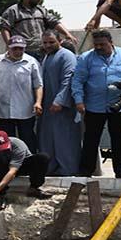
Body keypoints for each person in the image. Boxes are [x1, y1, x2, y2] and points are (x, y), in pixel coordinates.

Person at [72, 30, 121, 178]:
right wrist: (79, 101)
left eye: (102, 44)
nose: (98, 47)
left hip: (119, 105)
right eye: (96, 44)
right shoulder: (86, 58)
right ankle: (85, 170)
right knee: (91, 139)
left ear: (111, 42)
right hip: (94, 106)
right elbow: (77, 80)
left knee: (119, 139)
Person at [0, 35, 43, 152]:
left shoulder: (31, 62)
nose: (18, 51)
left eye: (21, 48)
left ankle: (29, 165)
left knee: (27, 138)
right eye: (15, 48)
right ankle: (8, 166)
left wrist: (38, 102)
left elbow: (38, 84)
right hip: (2, 109)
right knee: (4, 140)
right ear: (8, 48)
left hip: (25, 109)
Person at [38, 31, 81, 176]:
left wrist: (60, 100)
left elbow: (68, 79)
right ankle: (51, 168)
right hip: (48, 107)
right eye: (45, 43)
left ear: (60, 40)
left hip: (62, 108)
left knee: (65, 140)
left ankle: (67, 170)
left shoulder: (67, 56)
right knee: (48, 139)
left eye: (51, 42)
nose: (48, 45)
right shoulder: (47, 56)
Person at [0, 0, 78, 61]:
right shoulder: (13, 11)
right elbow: (4, 28)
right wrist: (10, 45)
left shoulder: (41, 10)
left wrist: (67, 34)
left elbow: (54, 22)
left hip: (41, 51)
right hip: (24, 51)